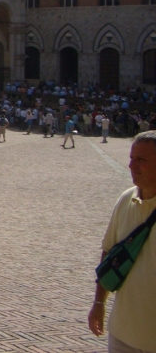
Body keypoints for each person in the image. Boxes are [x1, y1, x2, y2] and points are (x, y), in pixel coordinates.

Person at [88, 131, 156, 353]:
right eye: (131, 158)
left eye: (141, 160)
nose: (131, 165)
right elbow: (108, 252)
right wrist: (99, 303)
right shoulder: (126, 199)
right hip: (123, 333)